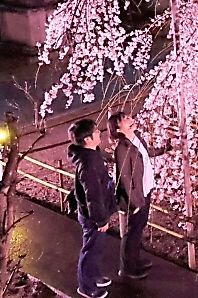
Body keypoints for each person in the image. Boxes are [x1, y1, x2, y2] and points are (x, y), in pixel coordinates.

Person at [108, 112, 171, 279]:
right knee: (133, 230)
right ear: (118, 128)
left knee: (139, 227)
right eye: (125, 119)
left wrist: (165, 149)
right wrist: (135, 202)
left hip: (146, 189)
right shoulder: (122, 148)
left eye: (129, 117)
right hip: (137, 196)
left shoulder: (136, 138)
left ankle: (135, 260)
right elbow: (125, 177)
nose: (131, 119)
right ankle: (127, 267)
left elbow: (147, 152)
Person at [67, 119, 116, 298]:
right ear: (87, 139)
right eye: (96, 132)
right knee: (90, 249)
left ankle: (93, 276)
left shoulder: (91, 154)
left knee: (95, 248)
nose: (99, 134)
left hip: (93, 213)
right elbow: (92, 195)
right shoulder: (88, 163)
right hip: (92, 216)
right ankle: (86, 287)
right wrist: (100, 220)